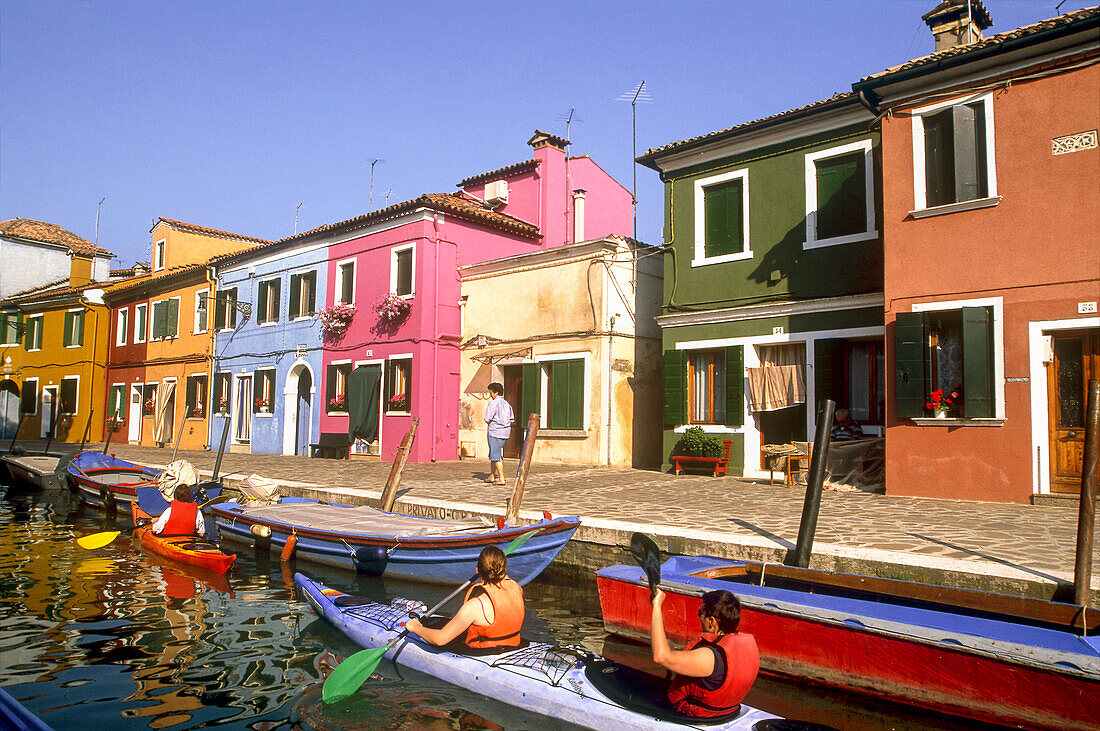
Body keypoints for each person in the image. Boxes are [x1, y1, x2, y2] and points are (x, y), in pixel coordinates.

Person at [651, 588, 759, 718]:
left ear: (711, 622)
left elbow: (660, 657)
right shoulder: (745, 645)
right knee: (669, 647)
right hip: (729, 711)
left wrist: (656, 606)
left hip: (697, 714)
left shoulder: (710, 657)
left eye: (700, 613)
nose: (699, 617)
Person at [406, 545, 524, 650]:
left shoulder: (475, 606)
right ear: (504, 571)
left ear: (477, 570)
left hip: (484, 652)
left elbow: (440, 639)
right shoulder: (517, 588)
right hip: (513, 643)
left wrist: (415, 628)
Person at [482, 382, 514, 485]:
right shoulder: (506, 404)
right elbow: (511, 419)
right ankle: (492, 475)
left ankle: (501, 478)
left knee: (496, 455)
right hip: (505, 433)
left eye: (491, 392)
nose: (490, 395)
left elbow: (487, 418)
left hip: (495, 432)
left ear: (495, 392)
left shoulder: (494, 403)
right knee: (494, 453)